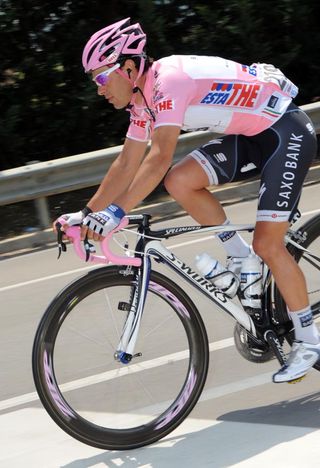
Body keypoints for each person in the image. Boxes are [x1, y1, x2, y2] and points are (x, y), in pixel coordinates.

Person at [57, 17, 319, 383]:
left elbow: (159, 154)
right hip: (250, 133)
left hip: (285, 132)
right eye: (93, 81)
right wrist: (87, 214)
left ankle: (308, 341)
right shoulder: (141, 100)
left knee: (268, 244)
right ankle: (240, 257)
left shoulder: (169, 82)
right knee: (180, 181)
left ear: (129, 67)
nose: (99, 89)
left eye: (101, 77)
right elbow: (127, 162)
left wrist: (117, 212)